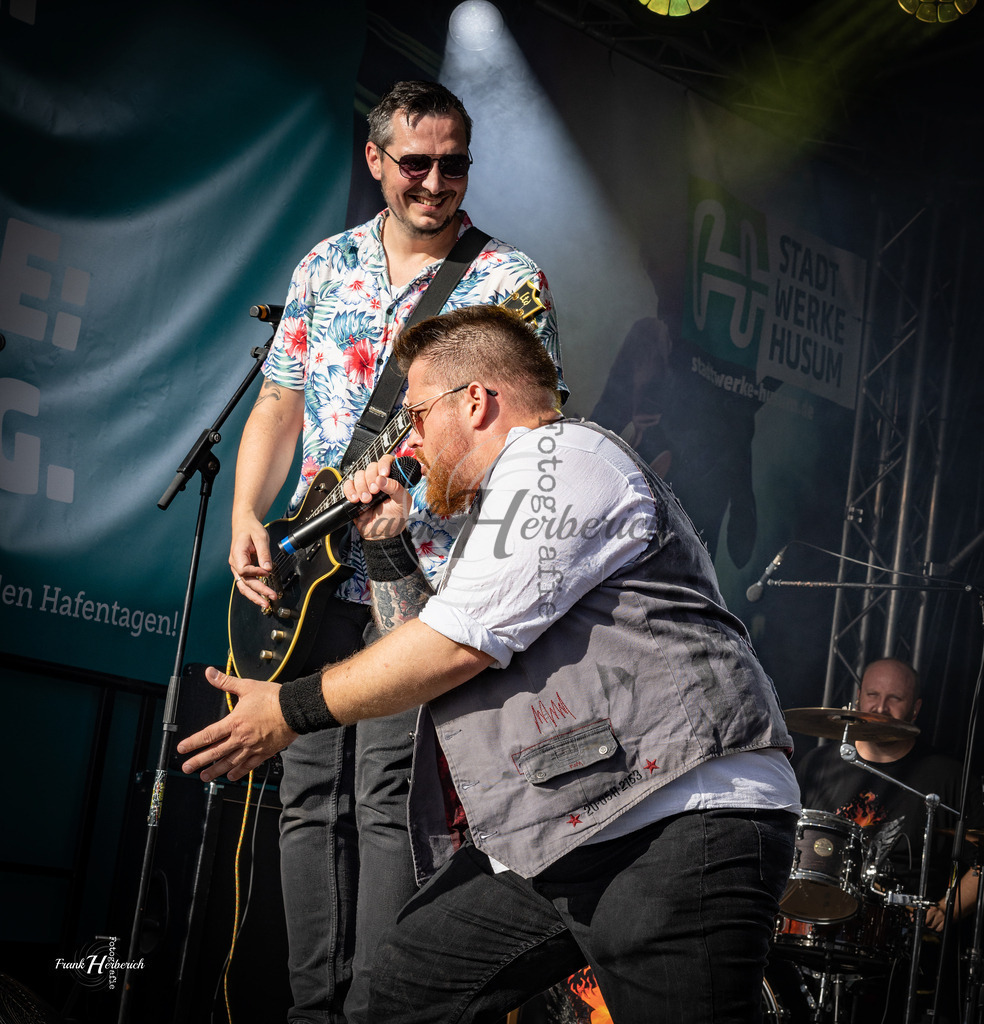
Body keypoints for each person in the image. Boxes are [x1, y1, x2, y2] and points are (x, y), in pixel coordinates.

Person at [181, 304, 801, 1023]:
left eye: (416, 415)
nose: (409, 440)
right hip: (564, 830)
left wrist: (289, 711)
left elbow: (452, 646)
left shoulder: (562, 460)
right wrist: (387, 546)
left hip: (678, 815)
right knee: (398, 996)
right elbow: (423, 655)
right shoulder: (502, 506)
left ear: (475, 400)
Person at [227, 81, 564, 1024]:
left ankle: (379, 1009)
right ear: (375, 159)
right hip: (311, 563)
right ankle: (312, 1009)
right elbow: (279, 403)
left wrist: (425, 485)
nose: (435, 182)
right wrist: (248, 511)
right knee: (305, 790)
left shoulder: (510, 280)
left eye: (454, 164)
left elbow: (534, 428)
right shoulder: (326, 265)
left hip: (425, 572)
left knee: (385, 796)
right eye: (416, 163)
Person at [794, 658, 982, 1021]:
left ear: (915, 708)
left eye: (895, 698)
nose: (880, 708)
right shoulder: (818, 765)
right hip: (815, 927)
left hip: (903, 946)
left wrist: (947, 908)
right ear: (857, 698)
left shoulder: (948, 777)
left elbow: (983, 856)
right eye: (873, 695)